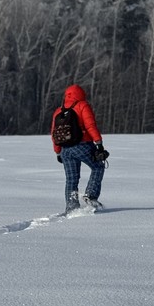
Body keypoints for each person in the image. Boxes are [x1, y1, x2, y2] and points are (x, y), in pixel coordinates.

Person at [51, 83, 108, 212]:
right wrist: (98, 143)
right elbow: (90, 126)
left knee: (71, 178)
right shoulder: (82, 106)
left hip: (65, 150)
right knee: (98, 166)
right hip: (82, 146)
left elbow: (54, 133)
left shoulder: (58, 111)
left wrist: (57, 152)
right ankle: (91, 196)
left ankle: (71, 206)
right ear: (81, 94)